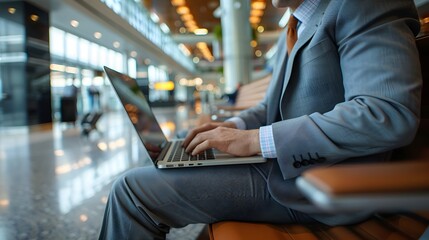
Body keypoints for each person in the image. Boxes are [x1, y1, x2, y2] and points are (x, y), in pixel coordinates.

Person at [98, 0, 422, 239]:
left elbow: (385, 113)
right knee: (165, 167)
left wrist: (254, 140)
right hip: (286, 168)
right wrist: (233, 128)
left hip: (323, 185)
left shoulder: (363, 5)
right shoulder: (295, 23)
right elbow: (269, 106)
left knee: (132, 190)